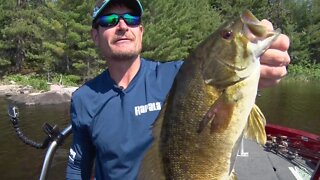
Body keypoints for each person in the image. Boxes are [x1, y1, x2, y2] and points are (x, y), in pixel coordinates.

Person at [66, 0, 291, 179]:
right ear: (95, 35)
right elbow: (78, 167)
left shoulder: (178, 75)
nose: (123, 26)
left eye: (132, 19)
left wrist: (259, 76)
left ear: (141, 31)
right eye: (110, 19)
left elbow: (222, 92)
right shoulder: (84, 99)